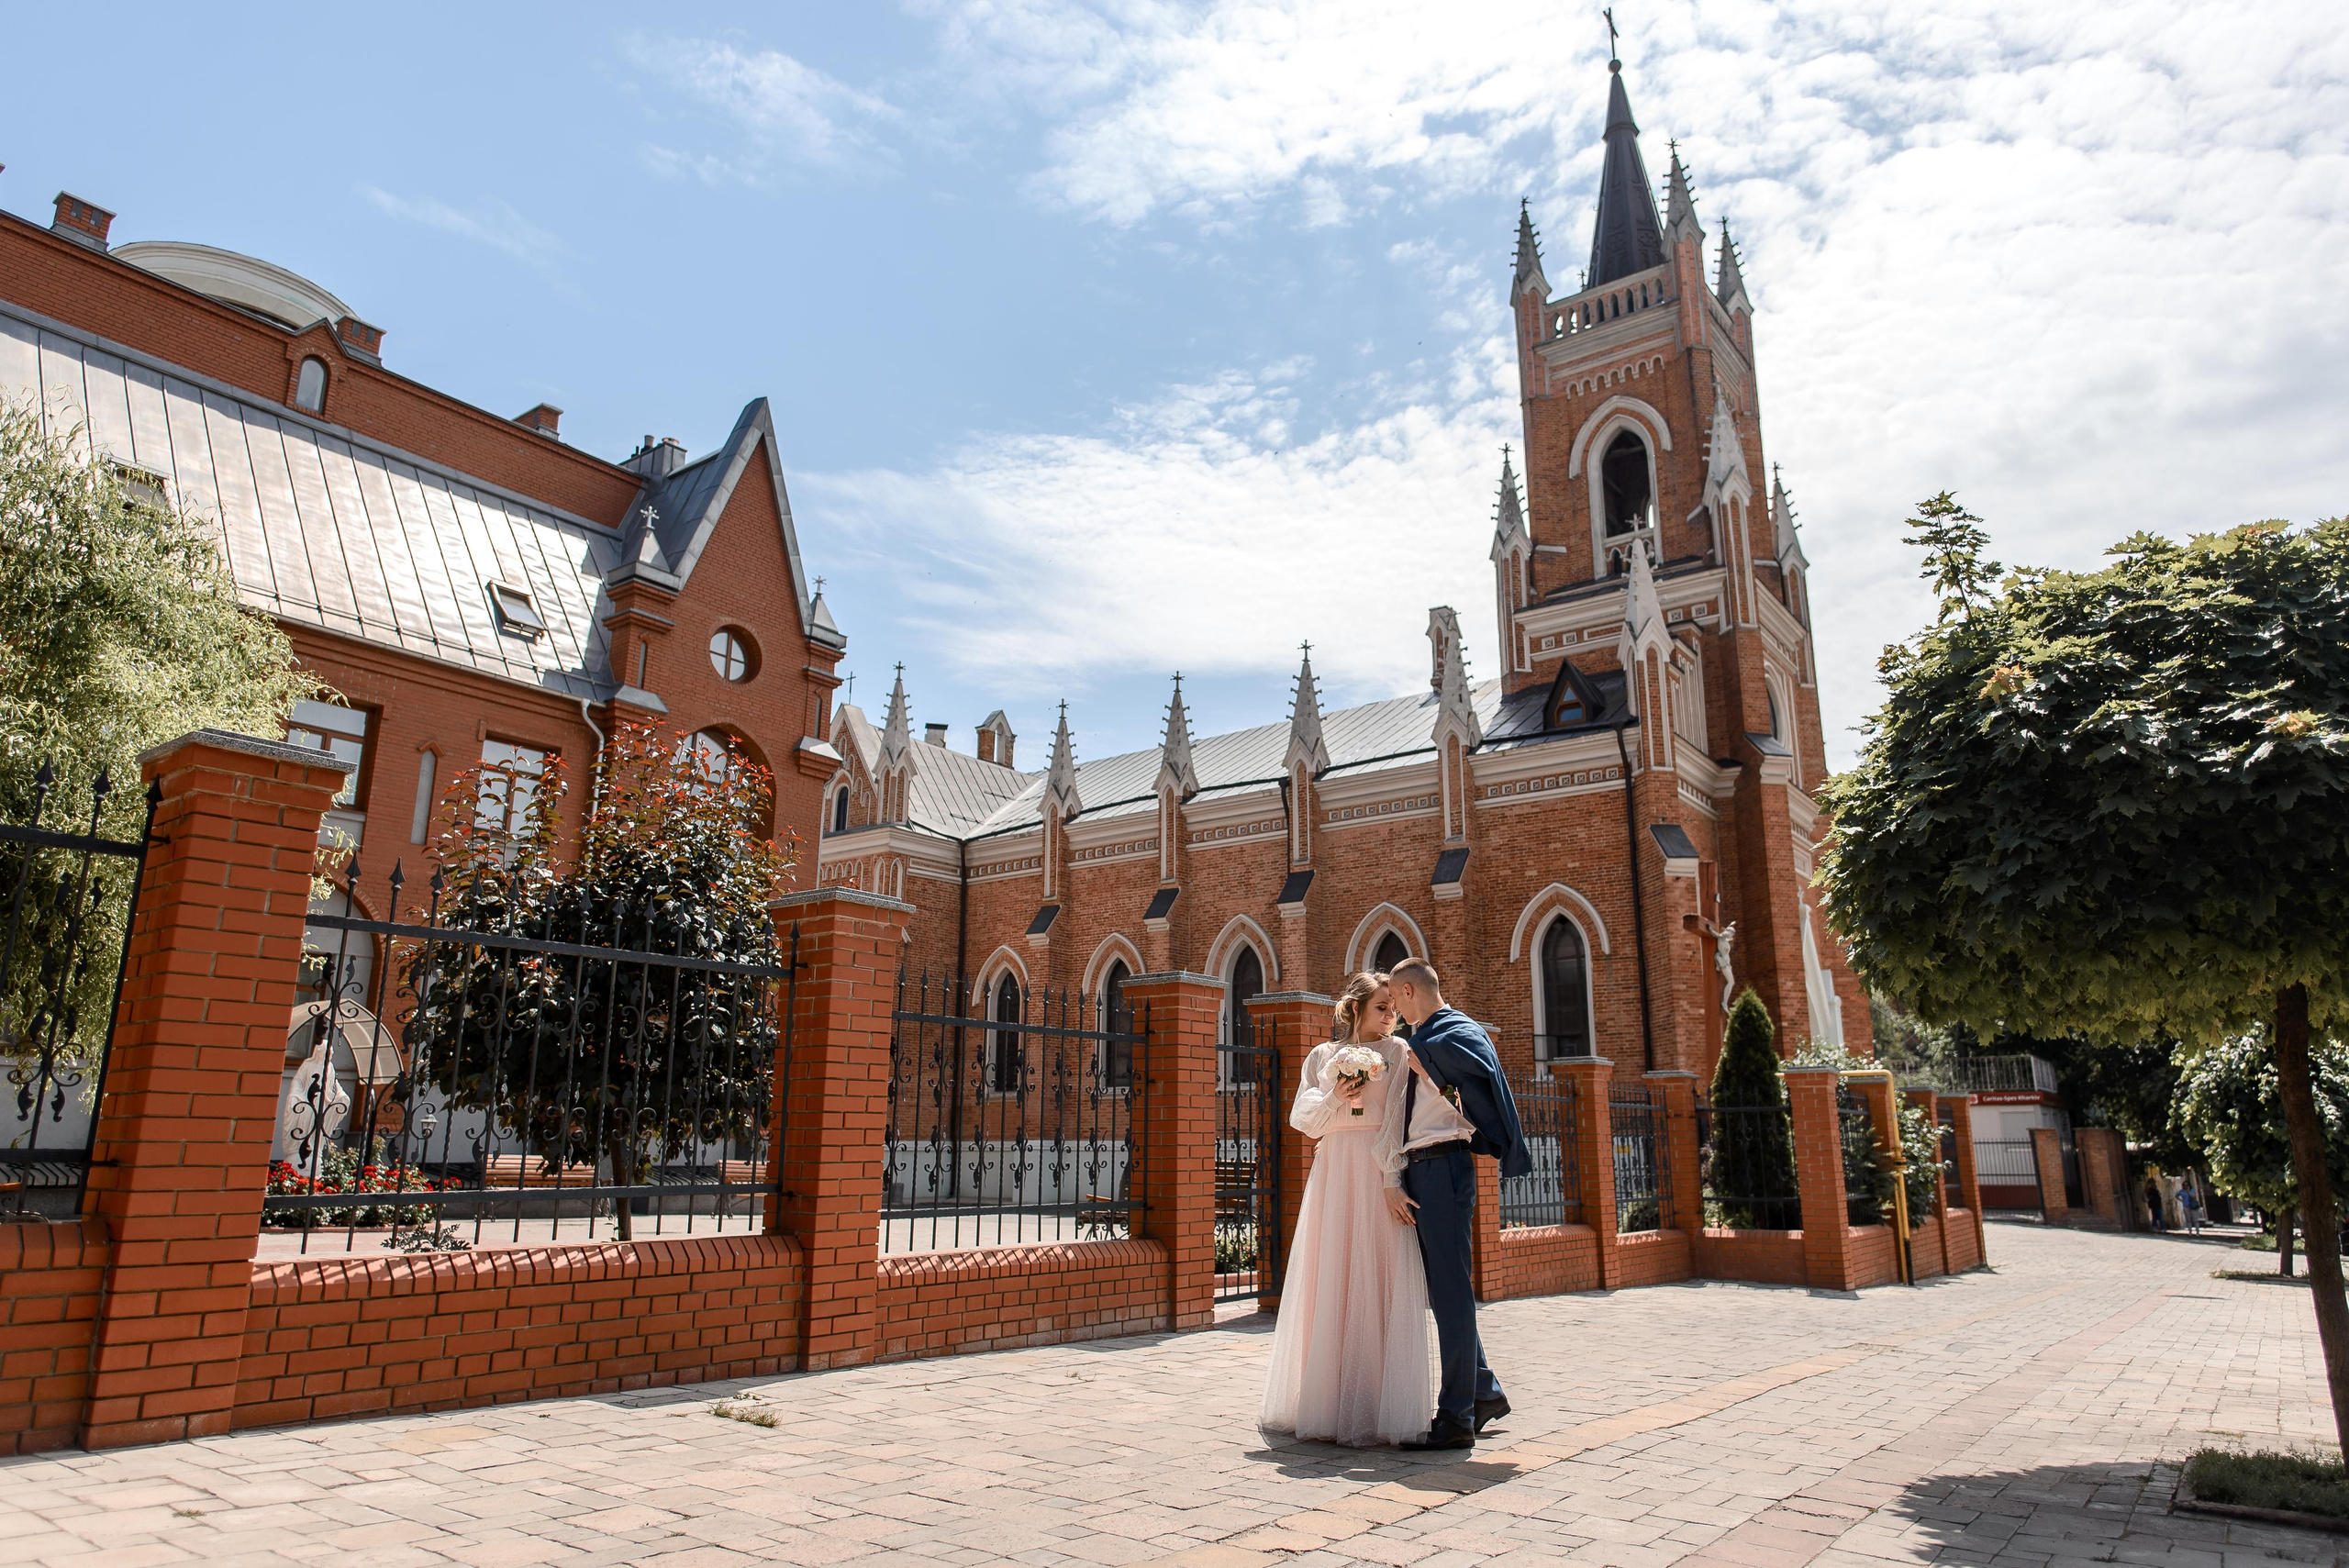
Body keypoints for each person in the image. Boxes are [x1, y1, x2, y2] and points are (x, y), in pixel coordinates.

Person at [1257, 973, 1432, 1447]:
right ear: (1355, 1010)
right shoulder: (1321, 1057)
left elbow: (1399, 1122)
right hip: (1334, 1175)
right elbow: (1304, 1122)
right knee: (1331, 1279)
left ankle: (1377, 1404)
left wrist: (1393, 1179)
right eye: (1381, 1007)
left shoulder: (1399, 1053)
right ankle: (1328, 1404)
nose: (1390, 1016)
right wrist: (1338, 1093)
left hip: (1378, 1176)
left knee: (1379, 1279)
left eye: (1393, 1007)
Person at [1384, 958, 1531, 1451]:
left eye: (1393, 999)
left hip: (1444, 1168)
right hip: (1424, 1169)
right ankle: (1482, 1390)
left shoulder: (1450, 1031)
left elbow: (1474, 1083)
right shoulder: (1428, 1037)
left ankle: (1455, 1417)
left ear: (1408, 991)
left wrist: (1423, 1059)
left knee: (1450, 1290)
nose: (1394, 1012)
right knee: (1443, 1286)